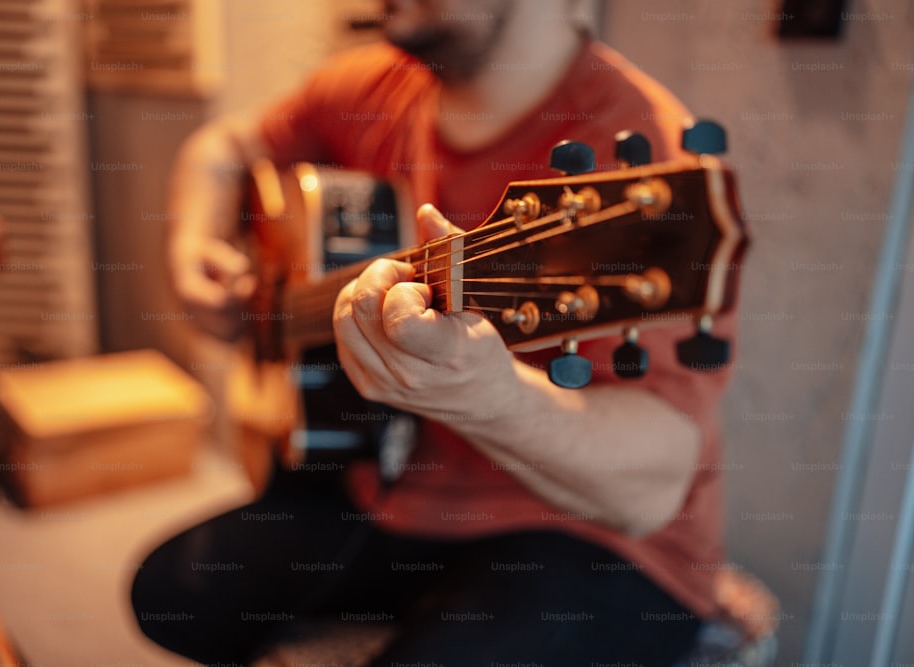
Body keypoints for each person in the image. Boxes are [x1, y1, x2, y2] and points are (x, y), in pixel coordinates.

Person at [132, 1, 736, 664]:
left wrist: (492, 399)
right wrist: (195, 244)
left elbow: (649, 490)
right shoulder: (373, 85)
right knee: (170, 592)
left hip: (587, 536)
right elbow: (222, 147)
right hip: (390, 479)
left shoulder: (642, 154)